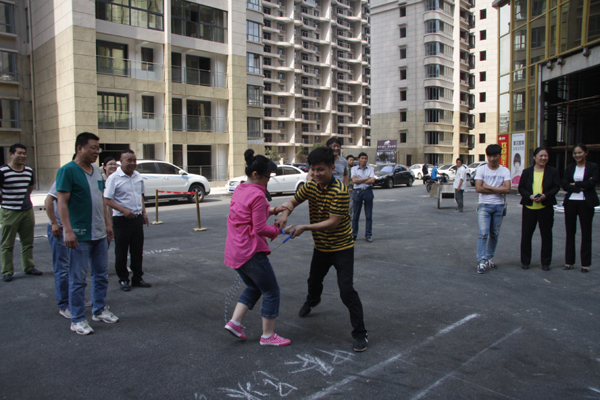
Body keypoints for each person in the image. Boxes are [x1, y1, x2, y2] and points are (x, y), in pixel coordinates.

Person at [275, 147, 368, 352]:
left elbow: (333, 223)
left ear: (332, 169)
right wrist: (285, 214)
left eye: (321, 169)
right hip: (321, 247)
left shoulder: (340, 191)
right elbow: (292, 201)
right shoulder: (310, 186)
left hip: (342, 248)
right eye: (313, 169)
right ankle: (312, 300)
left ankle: (360, 333)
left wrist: (304, 227)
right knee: (313, 281)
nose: (316, 173)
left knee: (346, 291)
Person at [224, 149, 292, 346]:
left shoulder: (240, 189)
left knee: (254, 286)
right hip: (250, 251)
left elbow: (248, 213)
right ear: (256, 174)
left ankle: (235, 323)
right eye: (267, 177)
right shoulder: (257, 195)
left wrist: (273, 210)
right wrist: (280, 230)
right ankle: (268, 336)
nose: (268, 180)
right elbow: (260, 227)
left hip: (235, 251)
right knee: (272, 291)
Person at [57, 132, 118, 335]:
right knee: (78, 279)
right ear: (80, 148)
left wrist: (107, 224)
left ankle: (99, 310)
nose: (96, 152)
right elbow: (61, 203)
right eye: (93, 148)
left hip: (99, 233)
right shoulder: (67, 171)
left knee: (101, 275)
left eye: (98, 148)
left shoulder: (96, 172)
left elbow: (101, 199)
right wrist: (68, 230)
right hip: (79, 235)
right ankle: (77, 319)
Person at [104, 150, 152, 291]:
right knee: (122, 251)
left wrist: (144, 213)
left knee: (137, 251)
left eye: (134, 160)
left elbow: (140, 195)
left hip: (136, 219)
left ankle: (137, 278)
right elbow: (107, 199)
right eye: (129, 160)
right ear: (121, 161)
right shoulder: (114, 178)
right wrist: (123, 210)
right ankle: (123, 279)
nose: (132, 163)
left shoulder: (137, 176)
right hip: (121, 219)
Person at [0, 144, 42, 282]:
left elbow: (29, 188)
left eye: (24, 153)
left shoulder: (29, 171)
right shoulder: (3, 171)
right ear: (11, 154)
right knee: (7, 243)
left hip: (26, 210)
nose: (22, 156)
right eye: (19, 153)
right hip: (9, 211)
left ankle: (29, 267)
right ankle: (7, 271)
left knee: (28, 241)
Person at [518, 147, 560, 271]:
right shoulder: (527, 172)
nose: (543, 158)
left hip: (545, 207)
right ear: (534, 157)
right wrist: (529, 196)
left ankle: (546, 262)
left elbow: (556, 187)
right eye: (541, 156)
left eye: (545, 156)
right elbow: (521, 188)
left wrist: (545, 196)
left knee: (546, 235)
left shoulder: (553, 171)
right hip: (529, 207)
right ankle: (525, 261)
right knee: (526, 235)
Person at [562, 143, 599, 273]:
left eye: (580, 152)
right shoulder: (570, 167)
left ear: (586, 153)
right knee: (570, 232)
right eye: (575, 153)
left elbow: (591, 183)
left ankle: (585, 264)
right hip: (571, 202)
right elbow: (565, 185)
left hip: (586, 203)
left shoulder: (593, 167)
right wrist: (580, 187)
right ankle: (569, 262)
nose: (577, 155)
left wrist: (575, 184)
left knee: (586, 233)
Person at [474, 144, 512, 274]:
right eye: (489, 156)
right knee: (483, 233)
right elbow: (478, 188)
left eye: (494, 156)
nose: (492, 158)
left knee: (494, 234)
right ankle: (481, 261)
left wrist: (488, 186)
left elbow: (507, 189)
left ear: (499, 156)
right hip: (484, 205)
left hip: (499, 206)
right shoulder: (481, 169)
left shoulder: (504, 171)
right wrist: (498, 189)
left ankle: (489, 258)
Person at [45, 182, 71, 317]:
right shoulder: (64, 177)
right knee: (62, 267)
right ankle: (64, 304)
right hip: (59, 229)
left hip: (75, 229)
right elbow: (48, 200)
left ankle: (75, 298)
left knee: (75, 266)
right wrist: (54, 223)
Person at [351, 152, 375, 242]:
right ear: (358, 159)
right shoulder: (354, 169)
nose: (364, 160)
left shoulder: (370, 168)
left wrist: (359, 180)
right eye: (362, 158)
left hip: (368, 191)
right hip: (357, 192)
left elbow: (372, 180)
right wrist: (366, 178)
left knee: (368, 215)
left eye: (365, 158)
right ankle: (354, 234)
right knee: (355, 215)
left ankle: (368, 235)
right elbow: (354, 181)